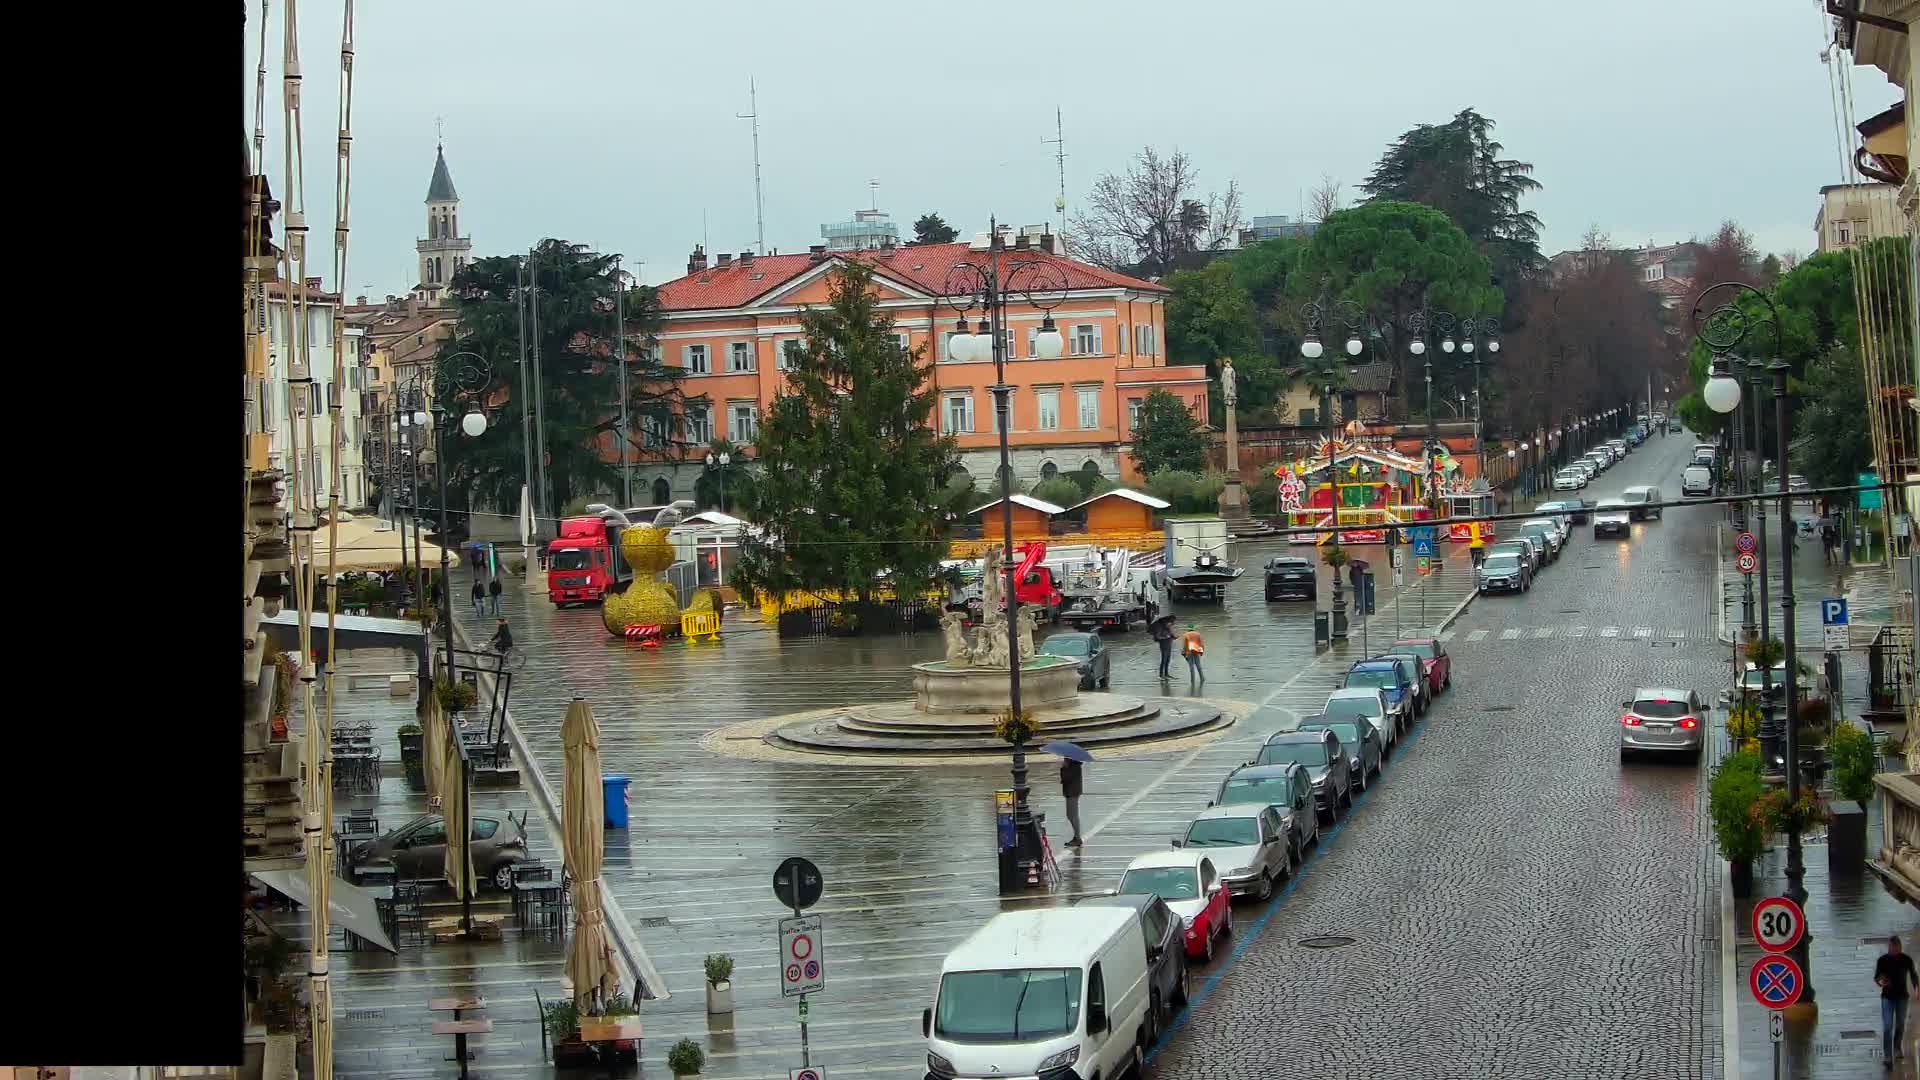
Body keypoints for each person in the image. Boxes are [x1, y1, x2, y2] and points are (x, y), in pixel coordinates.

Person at [1877, 935, 1920, 1067]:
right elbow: (1877, 977)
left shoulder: (1906, 959)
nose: (1893, 949)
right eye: (1891, 947)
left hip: (1902, 997)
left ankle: (1897, 1048)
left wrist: (1917, 988)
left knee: (1900, 1024)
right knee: (1887, 1026)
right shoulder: (1882, 960)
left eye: (1895, 947)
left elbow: (1913, 974)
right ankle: (1887, 1056)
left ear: (1899, 947)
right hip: (1887, 998)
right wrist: (1881, 982)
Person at [1060, 758, 1084, 848]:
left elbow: (1066, 778)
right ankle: (1076, 837)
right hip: (1072, 791)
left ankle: (1077, 838)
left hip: (1072, 792)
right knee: (1071, 815)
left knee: (1072, 815)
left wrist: (1064, 768)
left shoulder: (1074, 766)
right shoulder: (1075, 764)